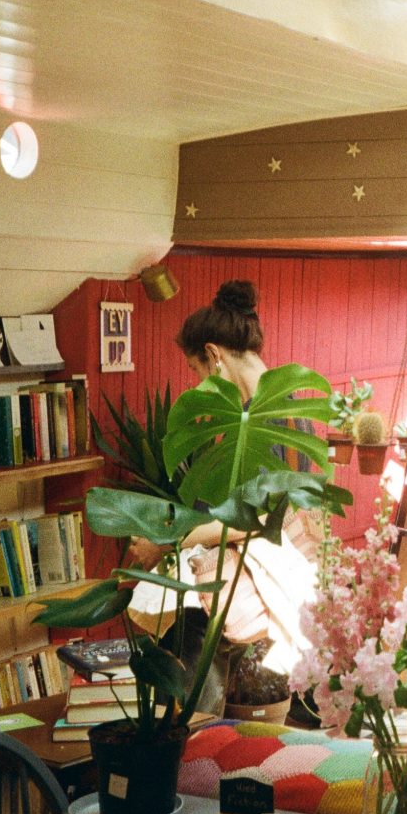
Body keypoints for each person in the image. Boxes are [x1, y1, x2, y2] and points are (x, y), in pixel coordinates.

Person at [126, 280, 321, 702]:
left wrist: (166, 543)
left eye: (196, 370)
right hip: (255, 587)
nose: (198, 383)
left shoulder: (260, 419)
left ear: (213, 356)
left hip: (237, 590)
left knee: (190, 709)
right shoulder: (287, 407)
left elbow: (251, 521)